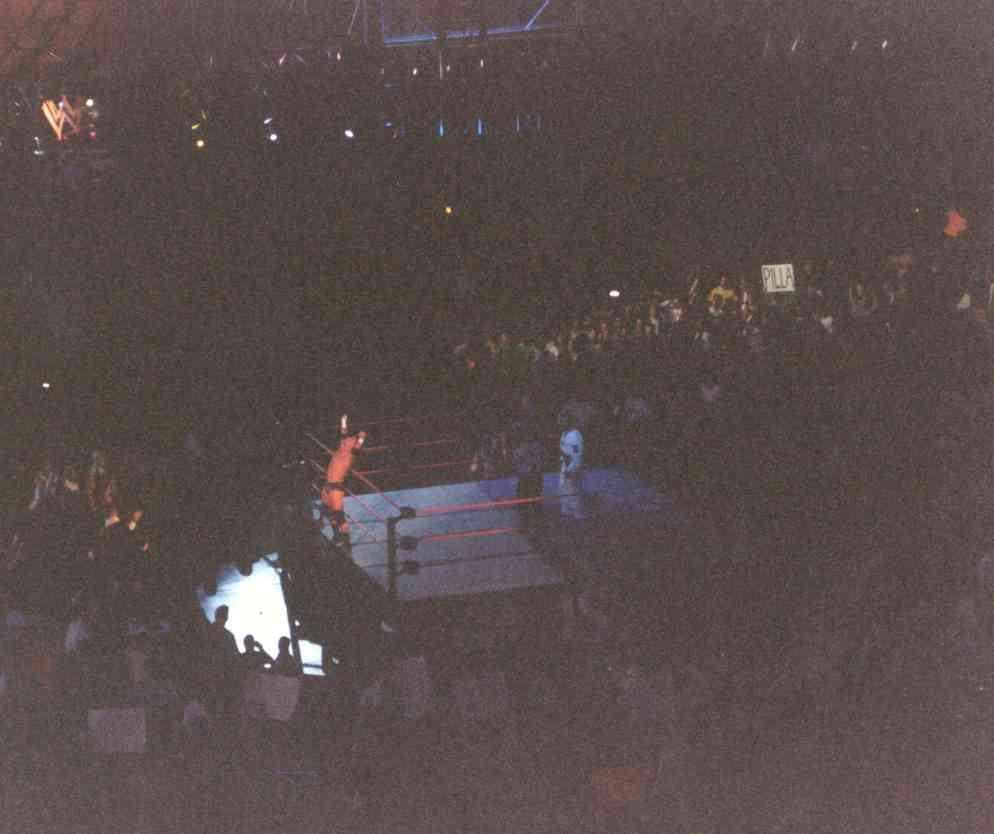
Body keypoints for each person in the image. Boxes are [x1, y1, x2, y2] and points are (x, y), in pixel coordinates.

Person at [321, 429, 367, 545]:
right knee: (328, 510)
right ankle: (337, 535)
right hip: (328, 486)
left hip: (336, 487)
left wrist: (361, 438)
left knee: (338, 513)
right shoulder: (341, 449)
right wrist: (344, 421)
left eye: (349, 441)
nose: (345, 441)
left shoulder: (350, 455)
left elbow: (357, 446)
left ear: (353, 445)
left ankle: (345, 540)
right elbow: (343, 432)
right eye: (345, 440)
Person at [559, 414, 585, 520]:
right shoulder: (564, 433)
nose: (560, 423)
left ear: (569, 421)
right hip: (564, 463)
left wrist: (572, 469)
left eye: (562, 421)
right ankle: (566, 510)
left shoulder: (575, 435)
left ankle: (578, 513)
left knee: (573, 488)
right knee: (563, 487)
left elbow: (577, 454)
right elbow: (563, 448)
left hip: (573, 464)